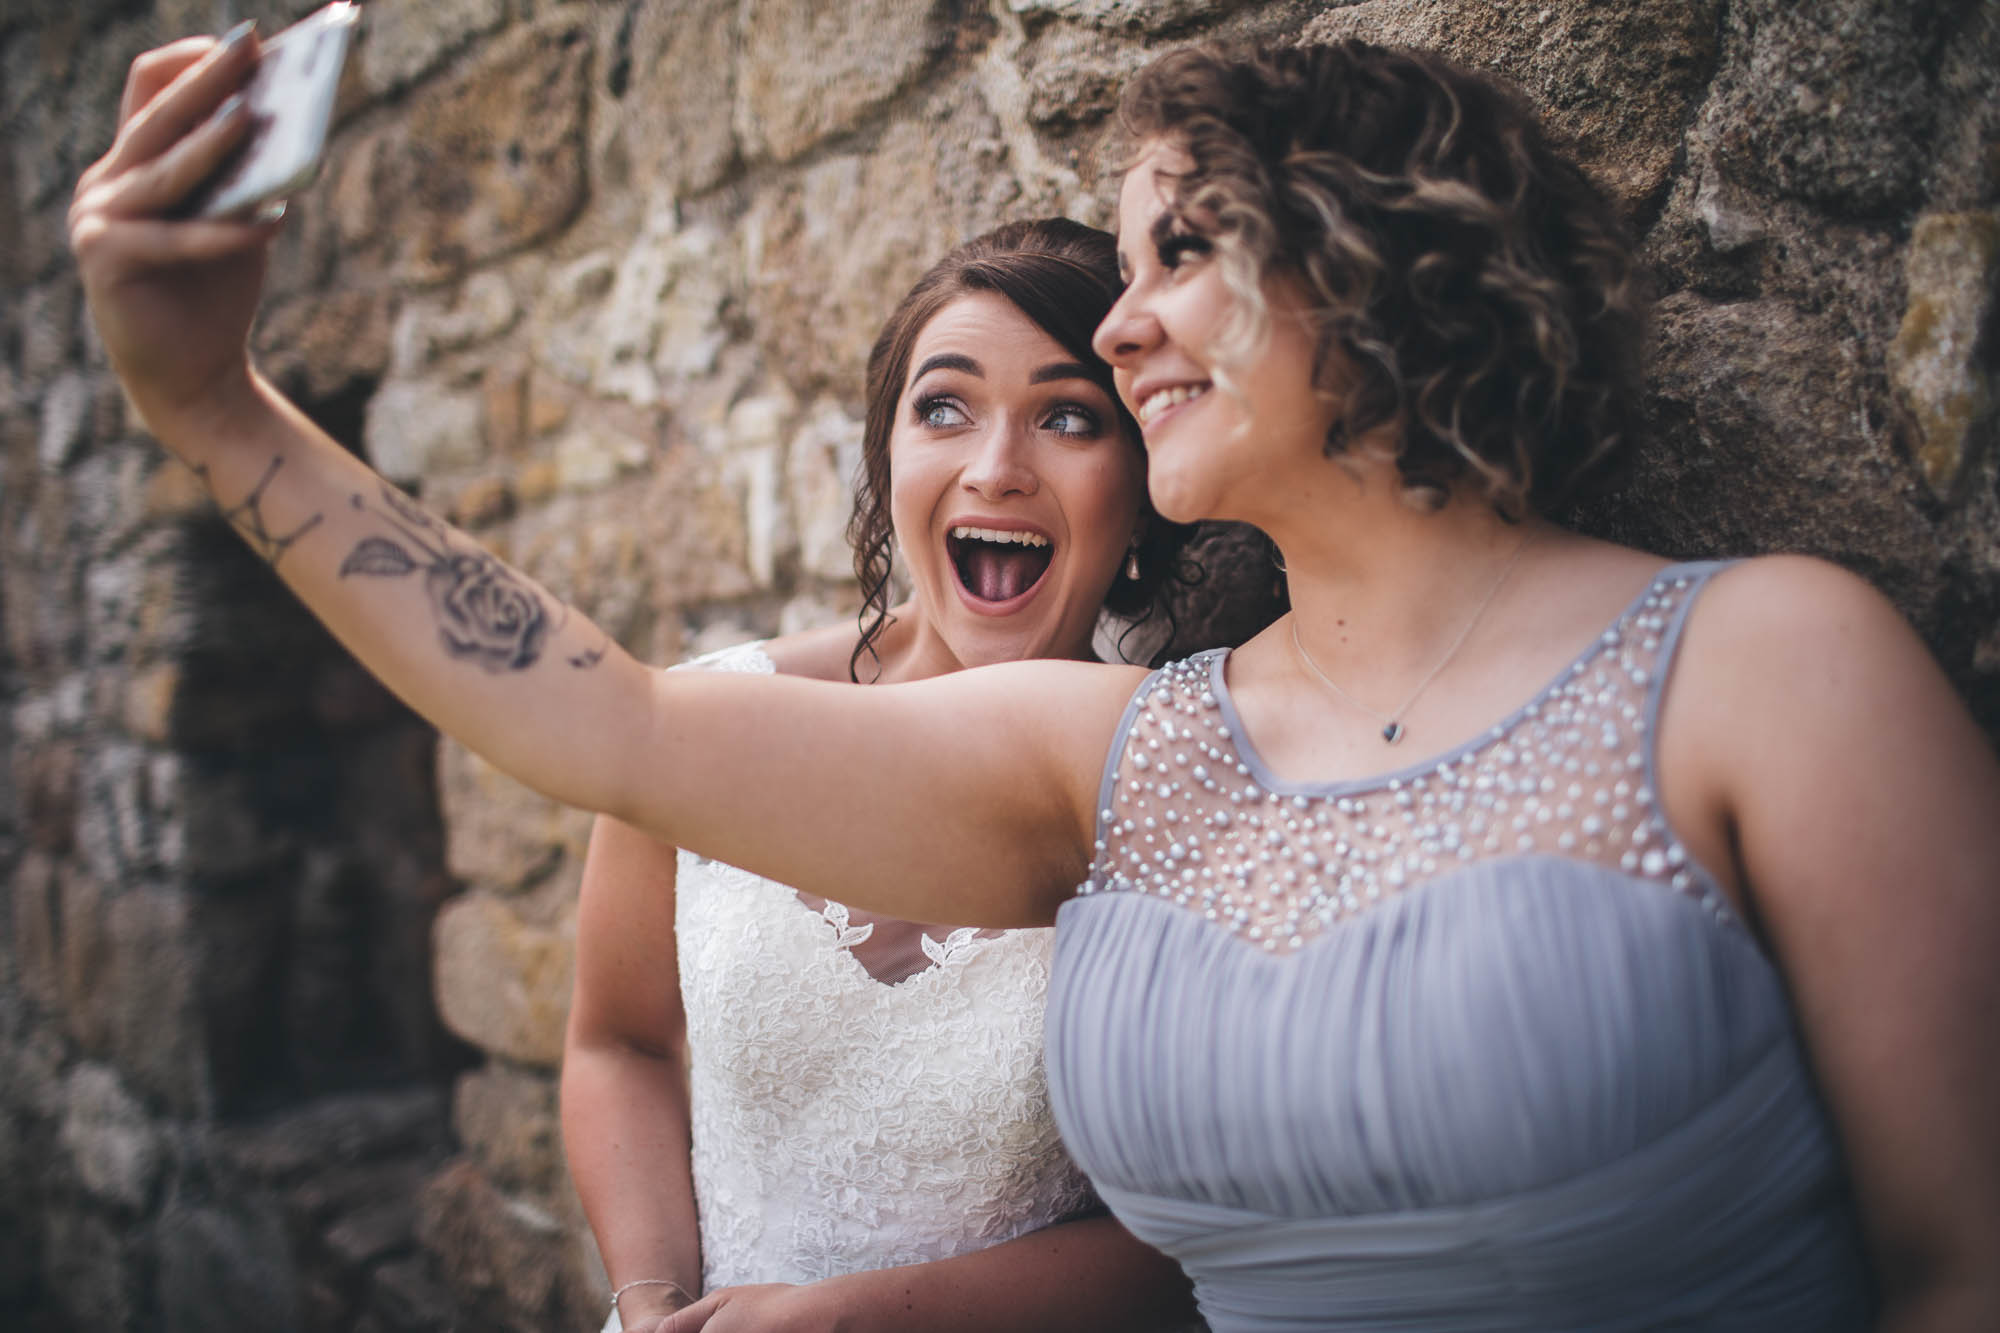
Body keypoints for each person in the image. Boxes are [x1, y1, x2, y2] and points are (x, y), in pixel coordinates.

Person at [73, 28, 2000, 1333]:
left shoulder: (1772, 663)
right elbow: (612, 726)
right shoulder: (1130, 752)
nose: (1131, 311)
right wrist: (209, 407)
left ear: (1385, 255)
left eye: (1180, 250)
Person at [560, 219, 1204, 1333]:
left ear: (1141, 489)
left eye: (1066, 417)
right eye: (942, 408)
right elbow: (621, 1041)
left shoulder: (1177, 778)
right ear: (887, 458)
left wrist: (852, 1318)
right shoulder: (702, 722)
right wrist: (651, 1299)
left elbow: (1206, 1228)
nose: (995, 467)